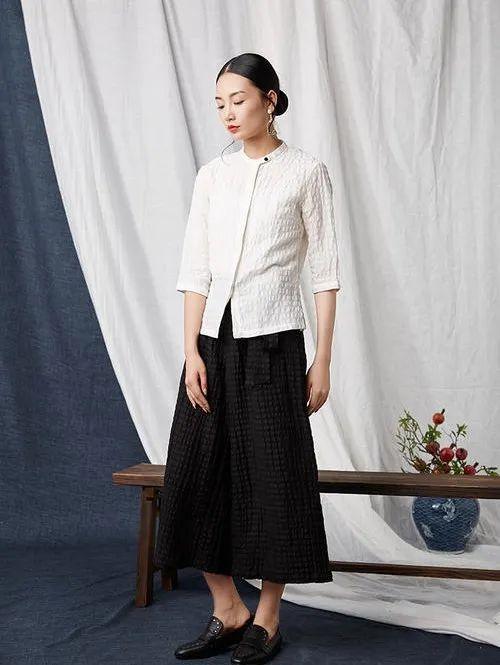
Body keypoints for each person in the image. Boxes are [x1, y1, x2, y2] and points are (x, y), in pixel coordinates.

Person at [153, 52, 341, 664]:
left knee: (275, 477)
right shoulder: (212, 176)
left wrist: (322, 360)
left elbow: (325, 274)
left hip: (274, 345)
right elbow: (195, 271)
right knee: (193, 474)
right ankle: (227, 607)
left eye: (238, 100)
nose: (228, 113)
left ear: (270, 100)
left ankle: (267, 617)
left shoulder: (306, 173)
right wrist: (190, 350)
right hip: (211, 344)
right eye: (220, 104)